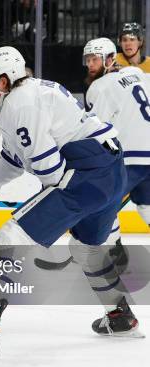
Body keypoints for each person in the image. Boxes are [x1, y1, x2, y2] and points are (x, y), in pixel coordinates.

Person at [0, 46, 139, 354]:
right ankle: (121, 315)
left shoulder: (20, 104)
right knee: (86, 250)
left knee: (11, 235)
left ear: (5, 80)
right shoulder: (23, 96)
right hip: (109, 171)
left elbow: (50, 171)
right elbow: (12, 159)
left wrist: (55, 209)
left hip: (87, 173)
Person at [84, 37, 150, 274]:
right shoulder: (138, 73)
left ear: (110, 59)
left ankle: (115, 254)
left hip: (130, 158)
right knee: (146, 205)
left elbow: (95, 130)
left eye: (95, 59)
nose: (91, 64)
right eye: (88, 60)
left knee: (102, 205)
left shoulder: (97, 87)